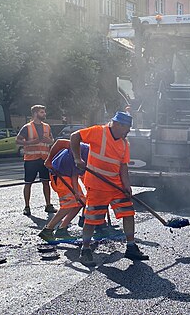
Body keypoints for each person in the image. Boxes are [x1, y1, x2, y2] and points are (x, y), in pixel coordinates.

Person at [71, 111, 148, 267]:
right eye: (127, 128)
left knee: (129, 213)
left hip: (116, 185)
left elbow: (123, 166)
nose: (128, 131)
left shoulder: (125, 143)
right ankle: (85, 249)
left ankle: (131, 246)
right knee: (92, 218)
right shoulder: (98, 132)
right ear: (118, 124)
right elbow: (75, 136)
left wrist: (127, 186)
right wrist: (77, 158)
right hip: (97, 185)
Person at [37, 139, 89, 241]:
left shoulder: (89, 154)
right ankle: (48, 230)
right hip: (59, 174)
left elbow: (75, 173)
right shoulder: (82, 148)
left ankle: (62, 229)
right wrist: (48, 159)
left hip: (68, 175)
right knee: (68, 204)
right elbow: (60, 142)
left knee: (80, 202)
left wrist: (77, 192)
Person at [16, 105, 56, 216]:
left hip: (44, 159)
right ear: (35, 113)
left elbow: (52, 140)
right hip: (31, 160)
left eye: (44, 112)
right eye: (42, 112)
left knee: (46, 182)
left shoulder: (47, 127)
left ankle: (48, 205)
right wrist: (29, 143)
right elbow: (18, 140)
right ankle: (27, 207)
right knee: (28, 183)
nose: (44, 114)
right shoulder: (27, 127)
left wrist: (50, 140)